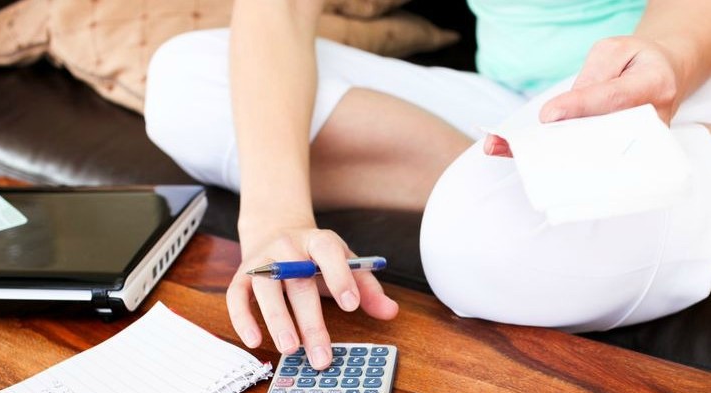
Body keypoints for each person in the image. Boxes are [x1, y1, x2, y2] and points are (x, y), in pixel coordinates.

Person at [145, 1, 711, 370]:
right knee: (180, 81)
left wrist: (673, 57)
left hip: (679, 78)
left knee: (468, 249)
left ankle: (510, 189)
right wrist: (275, 220)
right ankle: (514, 179)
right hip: (510, 102)